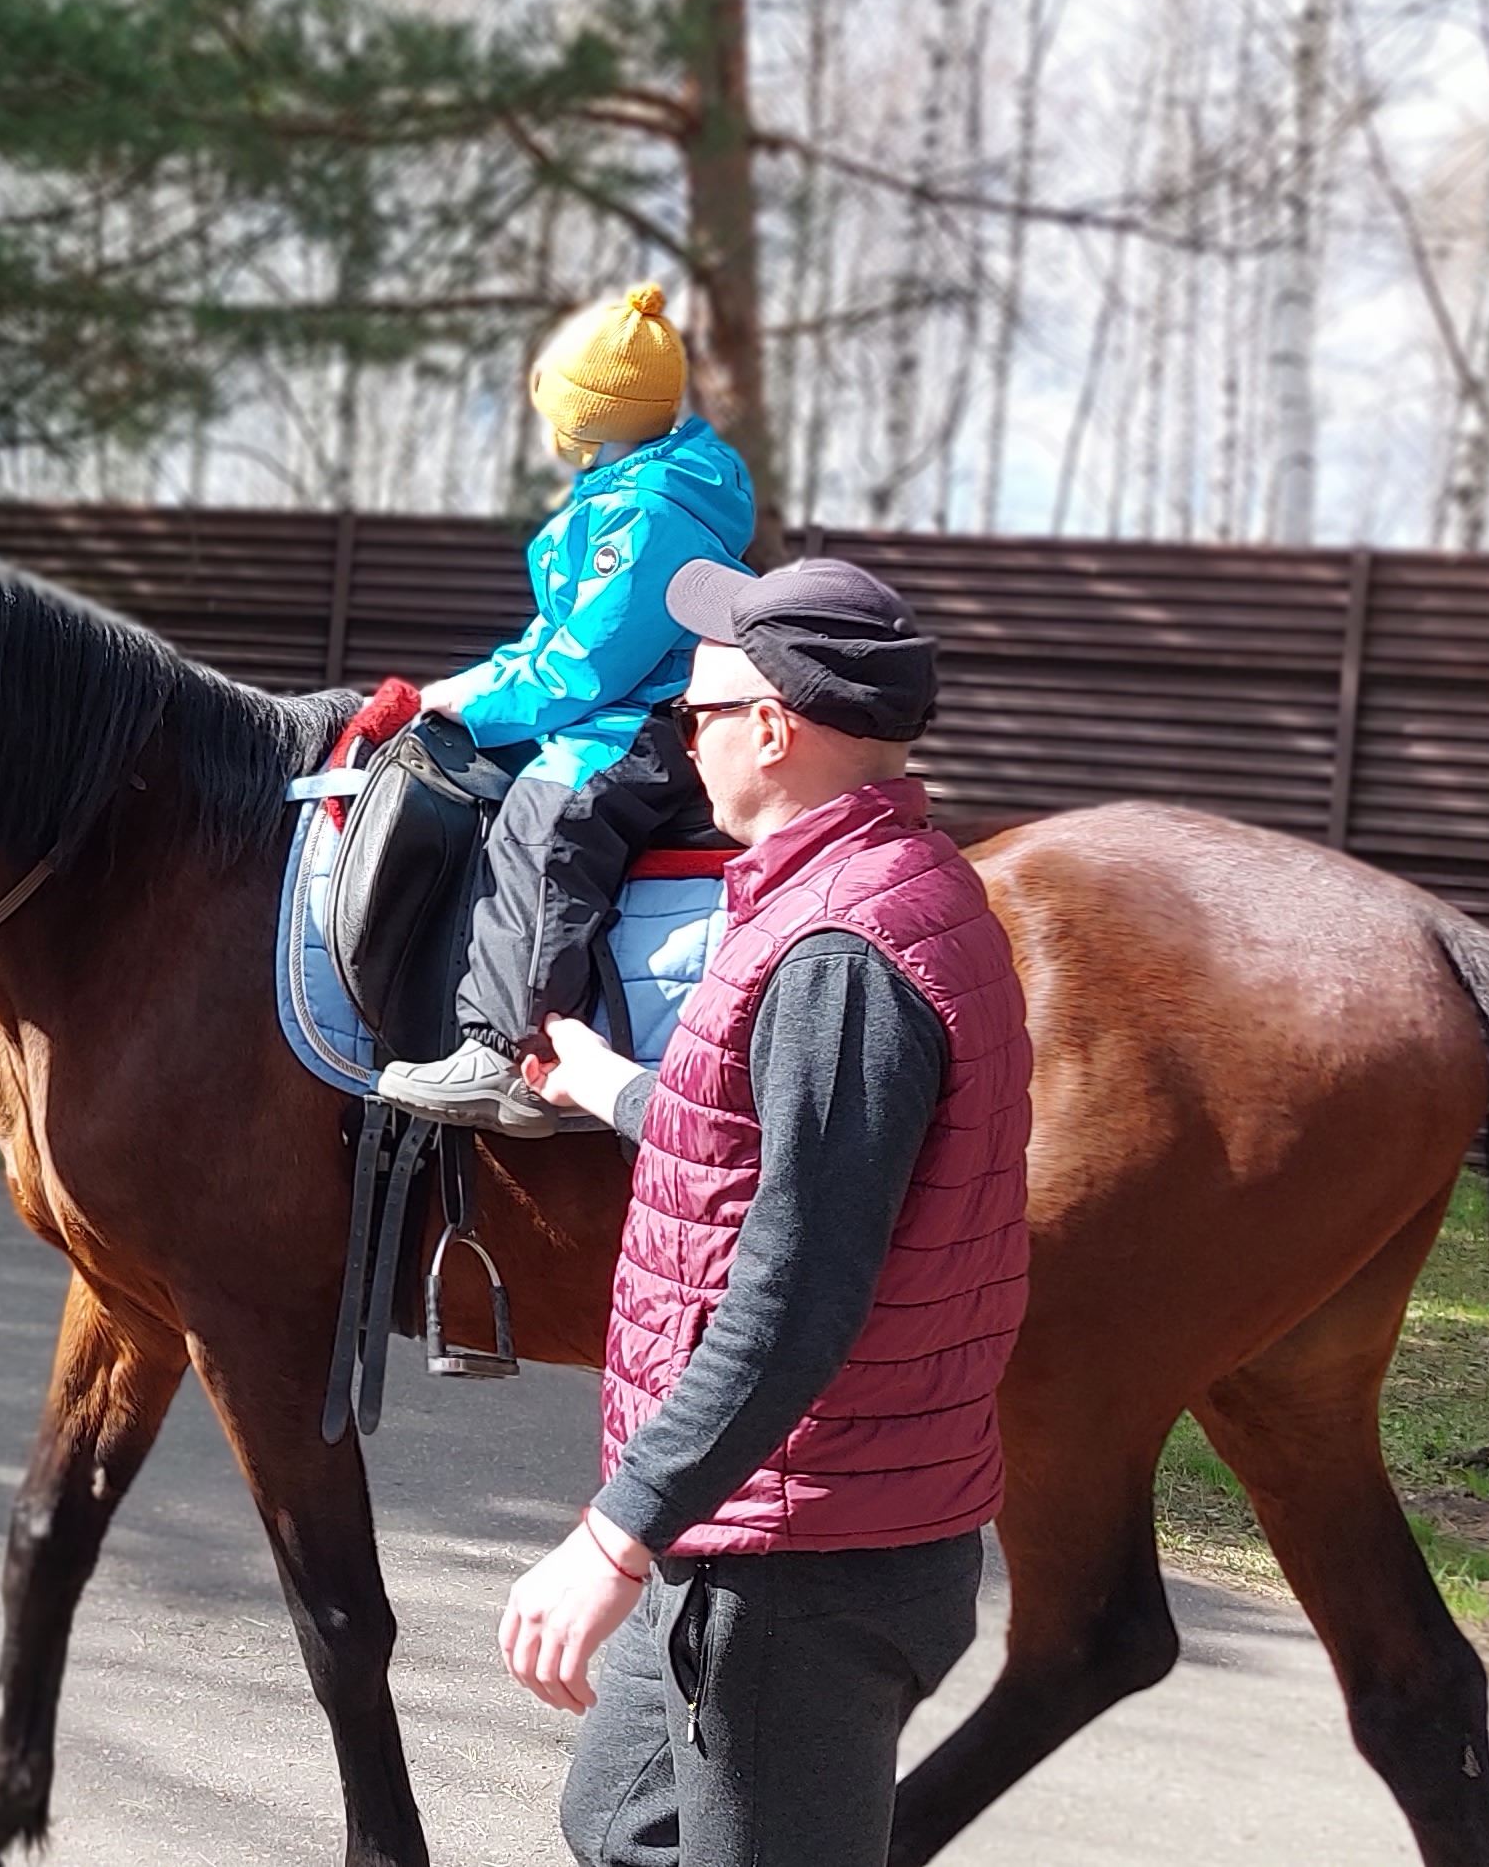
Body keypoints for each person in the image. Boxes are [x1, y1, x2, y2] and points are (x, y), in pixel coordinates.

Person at [491, 556, 1033, 1867]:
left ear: (772, 730)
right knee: (620, 1820)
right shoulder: (849, 896)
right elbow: (778, 1149)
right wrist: (625, 1089)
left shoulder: (842, 953)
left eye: (693, 716)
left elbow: (796, 1291)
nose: (685, 739)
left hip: (804, 1558)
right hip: (760, 1520)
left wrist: (613, 1535)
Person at [374, 283, 758, 1136]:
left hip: (643, 723)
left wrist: (491, 705)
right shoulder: (623, 498)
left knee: (546, 820)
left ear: (593, 419)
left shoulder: (648, 518)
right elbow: (544, 642)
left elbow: (587, 667)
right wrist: (464, 690)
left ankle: (512, 1055)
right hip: (612, 702)